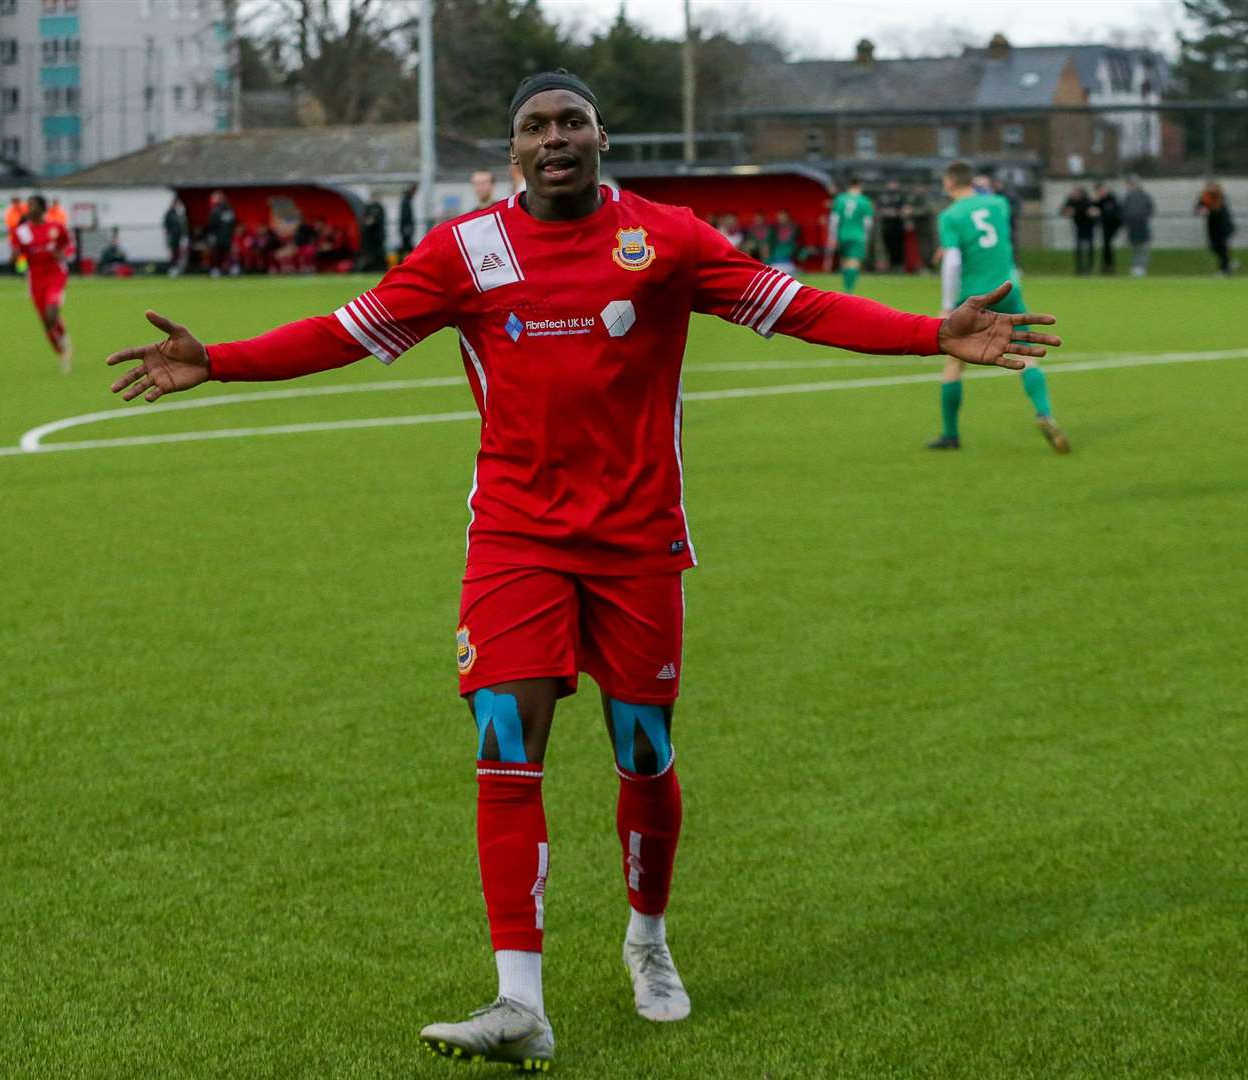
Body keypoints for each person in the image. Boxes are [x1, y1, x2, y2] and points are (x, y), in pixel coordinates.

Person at [105, 70, 1059, 1072]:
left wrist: (926, 335)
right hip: (515, 537)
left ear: (602, 138)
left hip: (638, 539)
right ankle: (520, 1000)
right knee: (502, 737)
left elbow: (795, 307)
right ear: (513, 150)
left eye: (572, 122)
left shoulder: (668, 237)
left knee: (641, 749)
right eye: (534, 126)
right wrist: (220, 360)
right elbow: (347, 330)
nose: (554, 138)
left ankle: (646, 939)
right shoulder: (465, 250)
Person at [931, 160, 1068, 454]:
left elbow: (953, 262)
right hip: (1008, 289)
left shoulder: (949, 216)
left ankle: (950, 435)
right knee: (1026, 353)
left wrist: (946, 305)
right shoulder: (998, 205)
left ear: (950, 183)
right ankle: (1044, 413)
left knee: (955, 360)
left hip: (974, 296)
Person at [14, 193, 74, 373]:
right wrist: (17, 258)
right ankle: (61, 350)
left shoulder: (56, 227)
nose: (29, 208)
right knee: (46, 322)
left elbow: (68, 245)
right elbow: (18, 255)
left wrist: (62, 254)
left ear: (42, 208)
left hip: (55, 274)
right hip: (35, 278)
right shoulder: (22, 231)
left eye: (33, 205)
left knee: (51, 311)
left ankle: (63, 342)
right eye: (28, 205)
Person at [826, 176, 873, 294]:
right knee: (854, 261)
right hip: (858, 235)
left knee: (845, 261)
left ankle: (846, 287)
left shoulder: (839, 199)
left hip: (843, 234)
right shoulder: (865, 201)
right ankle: (849, 289)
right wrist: (866, 236)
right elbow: (868, 222)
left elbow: (834, 220)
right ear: (859, 186)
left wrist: (833, 235)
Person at [1195, 181, 1236, 275]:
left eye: (1212, 187)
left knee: (1222, 247)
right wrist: (1200, 210)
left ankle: (1225, 269)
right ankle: (1228, 263)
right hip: (1212, 228)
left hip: (1223, 227)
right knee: (1213, 247)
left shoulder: (1220, 197)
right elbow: (1198, 208)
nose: (1210, 188)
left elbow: (1218, 210)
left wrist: (1208, 210)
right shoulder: (1205, 197)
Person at [1121, 176, 1154, 277]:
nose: (1132, 186)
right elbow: (1123, 212)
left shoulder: (1145, 196)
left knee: (1143, 247)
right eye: (1130, 184)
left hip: (1142, 224)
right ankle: (1135, 267)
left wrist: (1142, 217)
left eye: (1134, 183)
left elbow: (1150, 209)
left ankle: (1142, 267)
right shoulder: (1127, 197)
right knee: (1134, 247)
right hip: (1131, 226)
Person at [1060, 185, 1096, 275]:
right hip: (1078, 227)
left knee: (1090, 248)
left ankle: (1089, 268)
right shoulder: (1071, 200)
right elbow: (1063, 211)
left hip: (1088, 227)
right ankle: (1079, 268)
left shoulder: (1087, 200)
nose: (1074, 194)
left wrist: (1092, 213)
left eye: (1076, 192)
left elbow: (1093, 212)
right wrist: (1066, 211)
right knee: (1078, 249)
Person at [205, 191, 236, 277]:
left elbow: (212, 225)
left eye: (214, 198)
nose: (213, 200)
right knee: (224, 254)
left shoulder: (216, 210)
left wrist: (211, 236)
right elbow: (233, 224)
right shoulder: (229, 209)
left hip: (220, 237)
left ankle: (218, 270)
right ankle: (230, 269)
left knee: (218, 254)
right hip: (227, 237)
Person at [877, 178, 906, 272]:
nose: (893, 186)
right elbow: (878, 208)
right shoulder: (883, 196)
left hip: (898, 226)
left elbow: (906, 209)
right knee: (887, 246)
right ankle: (888, 266)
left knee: (898, 247)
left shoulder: (901, 196)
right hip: (886, 226)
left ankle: (898, 267)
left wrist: (897, 212)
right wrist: (885, 212)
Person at [1093, 182, 1122, 274]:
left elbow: (1110, 213)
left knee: (1107, 244)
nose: (1100, 193)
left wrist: (1099, 213)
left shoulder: (1111, 199)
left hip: (1114, 225)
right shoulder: (1099, 200)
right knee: (1106, 245)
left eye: (1101, 190)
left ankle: (1109, 266)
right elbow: (1092, 208)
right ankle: (1106, 266)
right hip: (1105, 225)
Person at [767, 209, 801, 275]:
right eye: (780, 216)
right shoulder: (774, 229)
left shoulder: (794, 227)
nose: (781, 218)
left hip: (789, 262)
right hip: (775, 262)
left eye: (783, 216)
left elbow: (797, 243)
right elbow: (769, 243)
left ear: (788, 217)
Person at [164, 197, 189, 277]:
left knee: (180, 254)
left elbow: (184, 226)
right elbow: (167, 226)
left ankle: (179, 268)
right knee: (174, 253)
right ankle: (172, 268)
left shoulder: (181, 214)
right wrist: (169, 235)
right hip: (173, 237)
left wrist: (184, 236)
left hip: (180, 238)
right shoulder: (169, 214)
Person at [399, 184, 417, 260]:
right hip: (406, 227)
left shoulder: (406, 200)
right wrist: (408, 228)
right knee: (407, 246)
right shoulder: (406, 201)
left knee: (406, 246)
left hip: (405, 227)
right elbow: (406, 216)